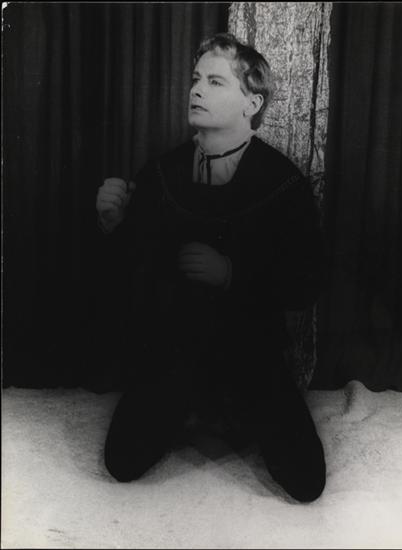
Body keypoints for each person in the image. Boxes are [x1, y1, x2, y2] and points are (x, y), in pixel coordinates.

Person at [96, 33, 326, 503]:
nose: (196, 90)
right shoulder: (161, 173)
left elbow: (304, 285)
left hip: (251, 348)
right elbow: (132, 271)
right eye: (196, 79)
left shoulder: (284, 184)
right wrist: (114, 225)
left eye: (215, 82)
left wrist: (232, 275)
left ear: (251, 104)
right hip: (175, 346)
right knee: (122, 461)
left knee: (306, 482)